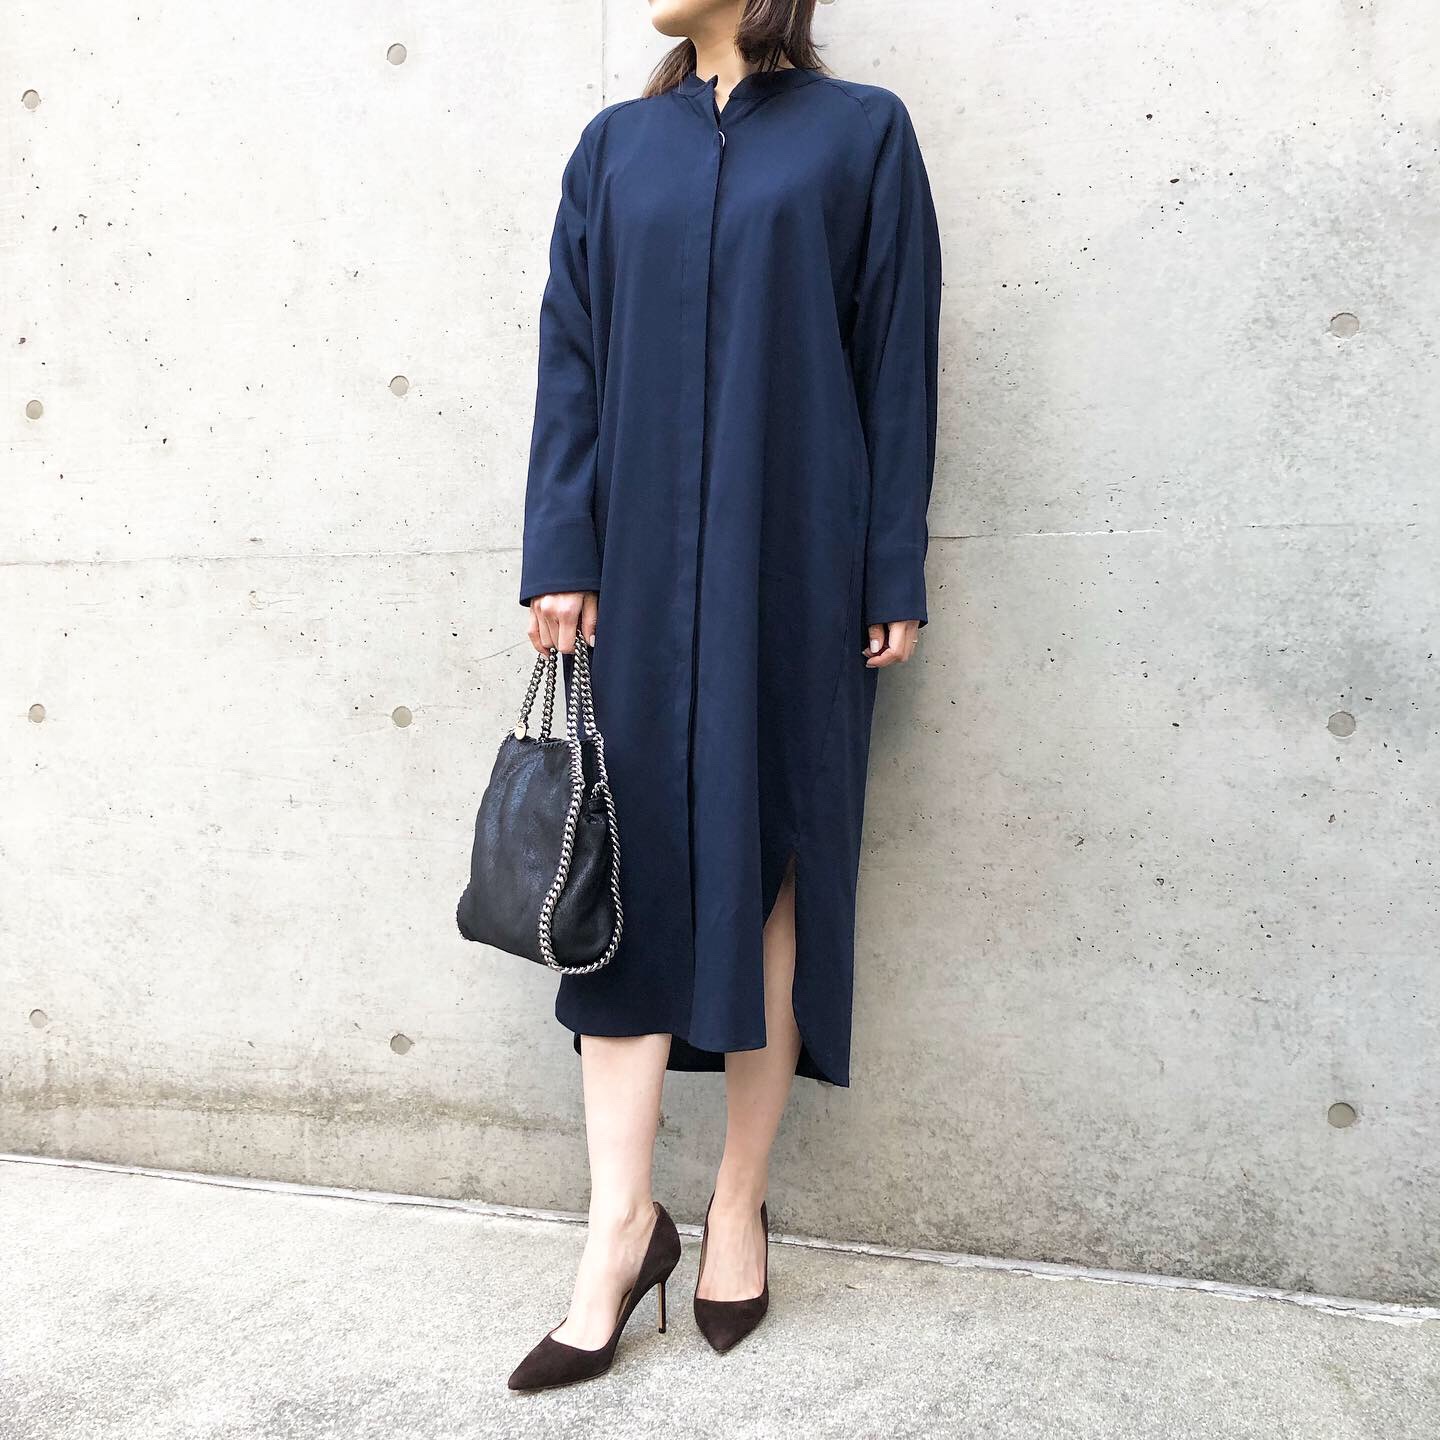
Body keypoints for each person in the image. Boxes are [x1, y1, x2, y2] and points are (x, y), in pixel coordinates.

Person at [506, 0, 941, 1392]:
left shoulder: (859, 135)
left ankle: (740, 1202)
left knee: (779, 869)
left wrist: (889, 563)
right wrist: (560, 550)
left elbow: (896, 357)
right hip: (633, 568)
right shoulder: (614, 149)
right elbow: (571, 357)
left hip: (798, 557)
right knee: (624, 878)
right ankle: (619, 1231)